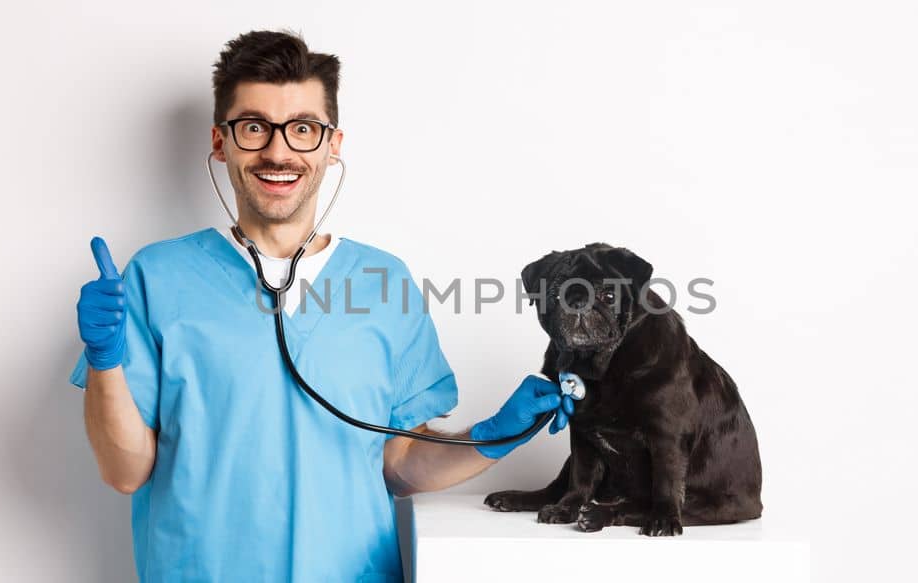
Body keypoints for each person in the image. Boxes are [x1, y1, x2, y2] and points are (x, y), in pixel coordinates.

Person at [69, 30, 571, 582]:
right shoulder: (155, 277)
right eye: (254, 127)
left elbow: (399, 465)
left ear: (332, 145)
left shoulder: (383, 282)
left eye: (303, 129)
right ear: (220, 141)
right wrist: (105, 360)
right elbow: (125, 471)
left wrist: (499, 433)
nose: (279, 151)